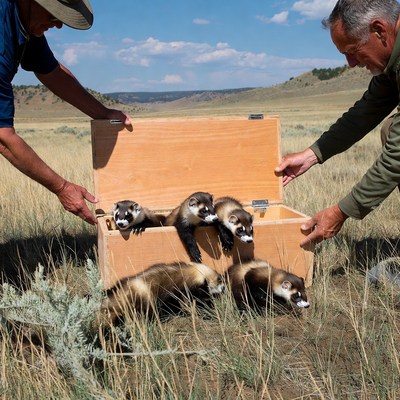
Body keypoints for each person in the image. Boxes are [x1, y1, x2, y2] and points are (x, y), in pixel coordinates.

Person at [275, 0, 400, 249]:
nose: (351, 64)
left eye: (352, 51)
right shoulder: (391, 61)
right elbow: (366, 111)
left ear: (379, 30)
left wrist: (342, 211)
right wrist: (312, 154)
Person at [0, 0, 132, 225]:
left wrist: (101, 112)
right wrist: (62, 188)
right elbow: (3, 138)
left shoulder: (25, 22)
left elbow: (51, 72)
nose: (59, 24)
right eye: (53, 14)